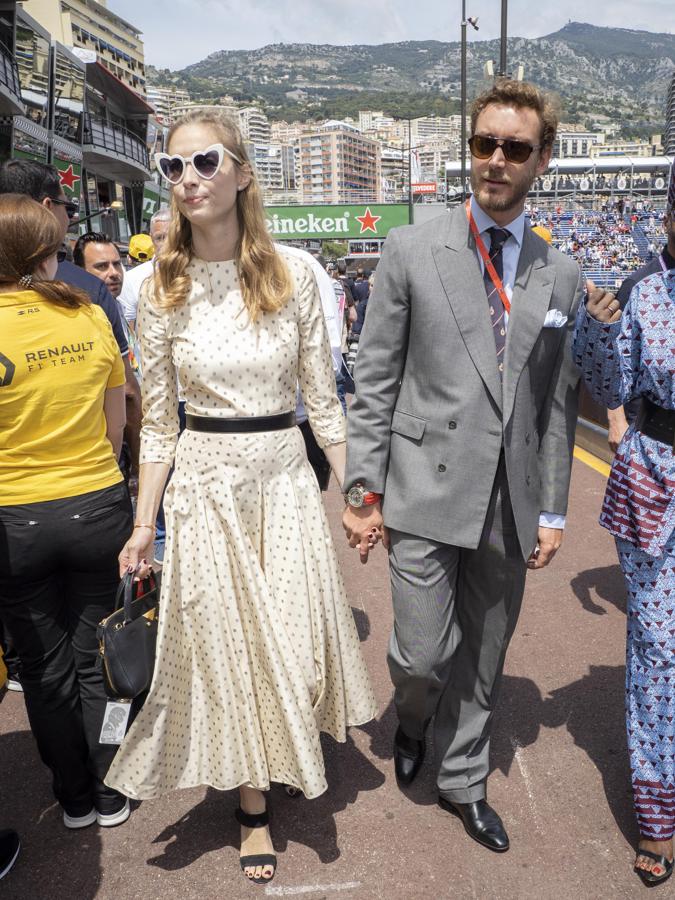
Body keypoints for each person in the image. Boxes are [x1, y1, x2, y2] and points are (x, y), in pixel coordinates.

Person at [104, 110, 376, 886]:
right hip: (205, 486)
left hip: (284, 480)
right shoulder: (160, 289)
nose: (188, 178)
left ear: (242, 172)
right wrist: (143, 522)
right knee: (235, 655)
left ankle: (281, 744)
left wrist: (357, 493)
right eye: (173, 166)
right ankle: (253, 808)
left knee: (292, 647)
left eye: (206, 161)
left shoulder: (293, 275)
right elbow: (159, 422)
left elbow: (324, 405)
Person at [343, 78, 585, 852]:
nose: (495, 160)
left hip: (509, 498)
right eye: (484, 143)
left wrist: (552, 509)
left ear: (541, 159)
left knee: (483, 655)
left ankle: (463, 779)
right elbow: (375, 378)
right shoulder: (413, 247)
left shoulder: (560, 272)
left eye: (514, 148)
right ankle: (413, 718)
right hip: (422, 486)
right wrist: (361, 489)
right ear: (469, 149)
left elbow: (554, 404)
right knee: (421, 656)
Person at [0, 194, 132, 829]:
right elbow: (117, 424)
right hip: (96, 504)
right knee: (98, 657)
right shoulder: (88, 316)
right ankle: (111, 788)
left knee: (42, 669)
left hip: (14, 520)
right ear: (44, 255)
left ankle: (74, 796)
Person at [572, 178, 675, 888]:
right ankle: (658, 816)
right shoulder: (642, 289)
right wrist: (598, 330)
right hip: (655, 477)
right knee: (659, 650)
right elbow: (609, 385)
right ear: (667, 218)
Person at [605, 204, 675, 453]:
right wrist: (616, 419)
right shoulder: (637, 284)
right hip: (649, 433)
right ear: (666, 221)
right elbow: (614, 359)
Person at [73, 232, 142, 478]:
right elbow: (127, 393)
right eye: (101, 266)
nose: (113, 273)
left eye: (117, 264)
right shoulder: (86, 317)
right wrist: (138, 463)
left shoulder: (118, 307)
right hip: (112, 448)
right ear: (81, 272)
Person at [118, 214, 171, 326]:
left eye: (171, 237)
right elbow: (129, 326)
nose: (166, 244)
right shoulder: (131, 279)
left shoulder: (196, 271)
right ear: (151, 238)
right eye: (159, 238)